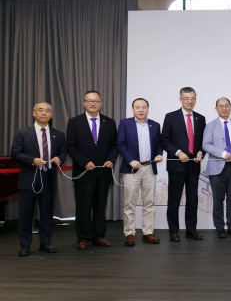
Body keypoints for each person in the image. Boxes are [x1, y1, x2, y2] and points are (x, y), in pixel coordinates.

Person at [10, 102, 67, 257]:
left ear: (51, 115)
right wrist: (31, 160)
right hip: (29, 177)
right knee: (26, 213)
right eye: (40, 110)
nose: (44, 113)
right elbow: (15, 153)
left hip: (48, 177)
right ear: (34, 113)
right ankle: (25, 245)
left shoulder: (58, 134)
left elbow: (63, 152)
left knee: (47, 213)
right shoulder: (23, 133)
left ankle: (46, 243)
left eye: (48, 110)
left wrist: (59, 159)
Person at [66, 91, 118, 250]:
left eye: (96, 101)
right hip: (84, 172)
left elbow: (114, 146)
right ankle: (83, 237)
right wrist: (84, 162)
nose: (93, 104)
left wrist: (111, 159)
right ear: (84, 103)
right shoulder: (74, 122)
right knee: (83, 206)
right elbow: (71, 146)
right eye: (89, 101)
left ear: (101, 103)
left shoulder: (109, 122)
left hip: (103, 173)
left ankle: (99, 236)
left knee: (100, 206)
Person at [117, 98, 163, 247]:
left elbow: (159, 144)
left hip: (149, 167)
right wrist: (131, 160)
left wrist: (159, 154)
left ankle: (148, 232)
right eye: (138, 107)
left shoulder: (155, 125)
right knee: (129, 202)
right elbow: (120, 144)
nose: (141, 110)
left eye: (144, 107)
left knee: (149, 201)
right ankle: (129, 233)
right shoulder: (125, 123)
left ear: (148, 109)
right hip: (131, 168)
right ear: (133, 109)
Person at [161, 87, 205, 242]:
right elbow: (164, 140)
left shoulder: (201, 118)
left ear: (196, 99)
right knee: (174, 199)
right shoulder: (171, 117)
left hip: (194, 165)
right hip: (176, 165)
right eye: (186, 98)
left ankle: (191, 230)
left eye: (192, 98)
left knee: (192, 199)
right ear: (180, 99)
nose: (189, 101)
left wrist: (201, 152)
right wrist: (178, 152)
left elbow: (201, 143)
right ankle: (173, 231)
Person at [203, 97, 231, 238]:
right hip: (217, 168)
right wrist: (222, 154)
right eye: (221, 106)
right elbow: (206, 145)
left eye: (226, 105)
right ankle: (220, 228)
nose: (224, 108)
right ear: (216, 108)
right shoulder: (210, 126)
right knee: (218, 200)